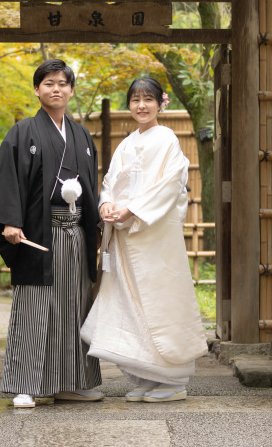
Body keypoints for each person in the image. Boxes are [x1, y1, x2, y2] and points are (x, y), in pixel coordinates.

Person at [0, 59, 102, 408]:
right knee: (34, 305)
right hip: (38, 233)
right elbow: (8, 180)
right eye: (48, 83)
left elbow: (90, 187)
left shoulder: (81, 135)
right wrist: (10, 221)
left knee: (74, 306)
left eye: (63, 83)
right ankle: (24, 384)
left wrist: (95, 225)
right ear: (37, 89)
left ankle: (71, 382)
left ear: (71, 90)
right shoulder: (23, 132)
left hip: (75, 233)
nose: (56, 89)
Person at [81, 77, 208, 402]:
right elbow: (110, 181)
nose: (141, 105)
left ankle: (173, 381)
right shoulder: (126, 143)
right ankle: (144, 376)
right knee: (126, 303)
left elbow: (167, 185)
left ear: (160, 102)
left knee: (158, 302)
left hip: (153, 238)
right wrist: (107, 203)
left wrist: (132, 210)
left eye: (147, 99)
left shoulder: (166, 139)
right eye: (135, 99)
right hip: (124, 237)